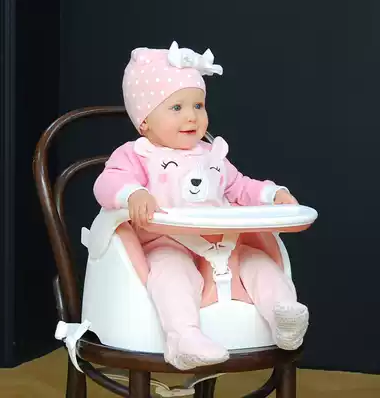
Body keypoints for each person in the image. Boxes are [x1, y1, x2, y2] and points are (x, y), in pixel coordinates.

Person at [93, 41, 309, 370]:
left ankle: (285, 317)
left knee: (260, 264)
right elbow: (107, 182)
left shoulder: (212, 156)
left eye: (198, 105)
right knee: (172, 274)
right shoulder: (137, 155)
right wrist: (133, 194)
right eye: (176, 107)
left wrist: (272, 194)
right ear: (144, 121)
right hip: (166, 243)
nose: (191, 116)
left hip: (225, 247)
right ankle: (184, 337)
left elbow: (241, 187)